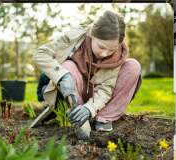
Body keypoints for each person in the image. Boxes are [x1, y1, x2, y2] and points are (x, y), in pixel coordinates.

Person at [33, 10, 142, 139]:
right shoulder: (74, 37)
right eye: (101, 47)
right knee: (67, 67)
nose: (104, 54)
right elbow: (40, 54)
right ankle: (79, 116)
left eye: (111, 50)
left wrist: (90, 108)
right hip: (76, 90)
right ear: (91, 34)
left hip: (100, 98)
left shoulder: (118, 56)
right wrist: (62, 75)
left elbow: (106, 90)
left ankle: (104, 118)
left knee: (133, 66)